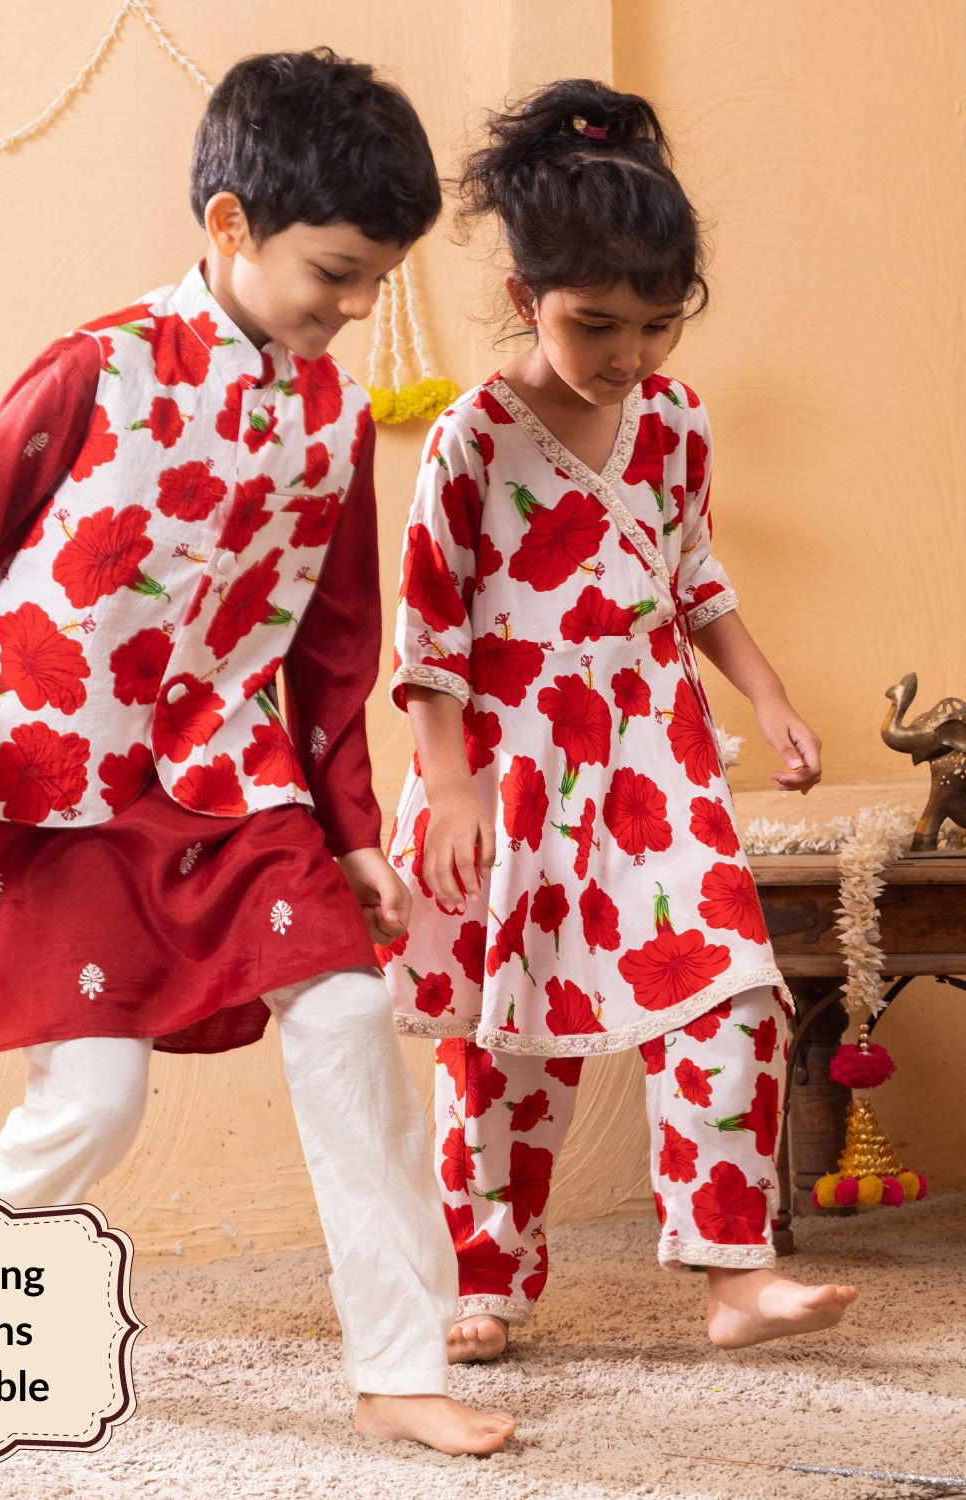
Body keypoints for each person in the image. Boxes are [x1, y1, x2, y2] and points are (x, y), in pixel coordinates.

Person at [0, 48, 516, 1455]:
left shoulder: (337, 421)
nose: (356, 307)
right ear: (230, 225)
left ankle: (400, 1369)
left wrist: (353, 834)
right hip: (57, 781)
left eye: (377, 280)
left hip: (236, 781)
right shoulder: (96, 368)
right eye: (335, 273)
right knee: (93, 1106)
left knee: (349, 1019)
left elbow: (334, 645)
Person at [380, 78, 858, 1364]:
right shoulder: (471, 438)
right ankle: (484, 1278)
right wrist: (452, 787)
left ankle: (735, 1271)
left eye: (658, 325)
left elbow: (692, 572)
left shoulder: (676, 422)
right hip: (508, 763)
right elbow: (427, 631)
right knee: (503, 1037)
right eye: (597, 325)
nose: (629, 355)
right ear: (526, 293)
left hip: (656, 751)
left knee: (731, 991)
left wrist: (768, 694)